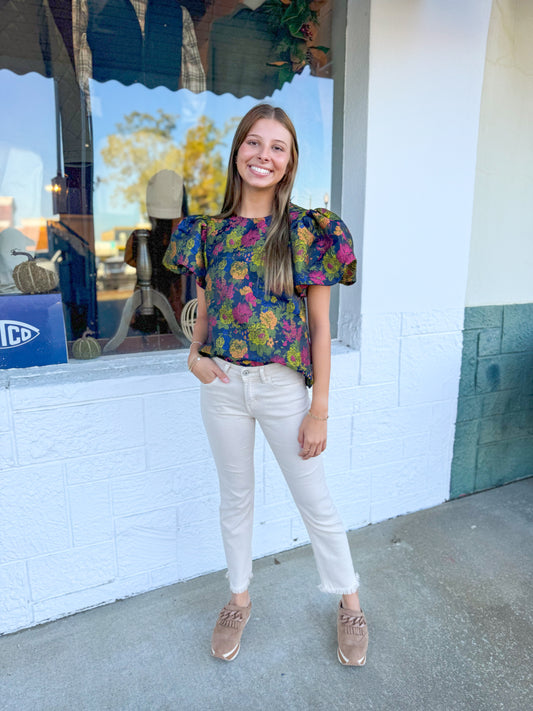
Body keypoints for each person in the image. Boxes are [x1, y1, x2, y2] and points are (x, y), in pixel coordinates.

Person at [163, 104, 368, 666]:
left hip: (282, 388)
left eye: (277, 147)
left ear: (289, 161)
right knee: (235, 498)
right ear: (238, 152)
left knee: (315, 500)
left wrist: (319, 408)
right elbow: (204, 312)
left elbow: (322, 327)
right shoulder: (208, 233)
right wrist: (195, 356)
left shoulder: (308, 232)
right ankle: (238, 597)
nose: (263, 155)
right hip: (223, 386)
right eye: (254, 143)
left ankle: (349, 599)